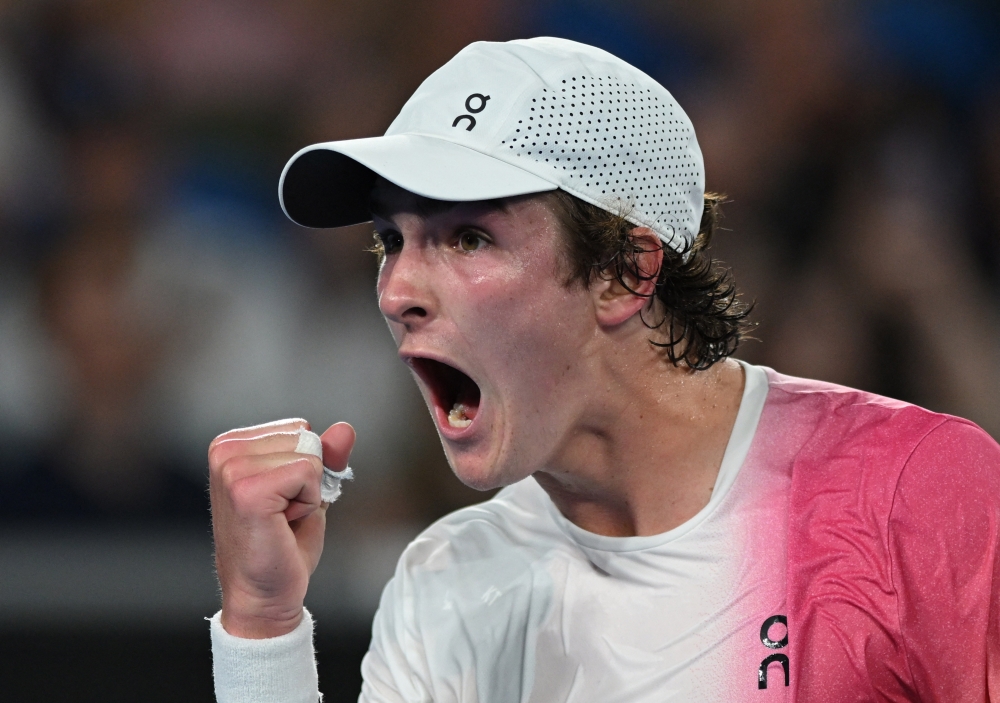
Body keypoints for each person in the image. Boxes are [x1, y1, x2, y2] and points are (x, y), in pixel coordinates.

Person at [207, 37, 1000, 702]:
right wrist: (262, 629)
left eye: (468, 238)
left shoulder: (918, 491)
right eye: (392, 239)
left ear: (626, 271)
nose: (395, 291)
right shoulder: (446, 585)